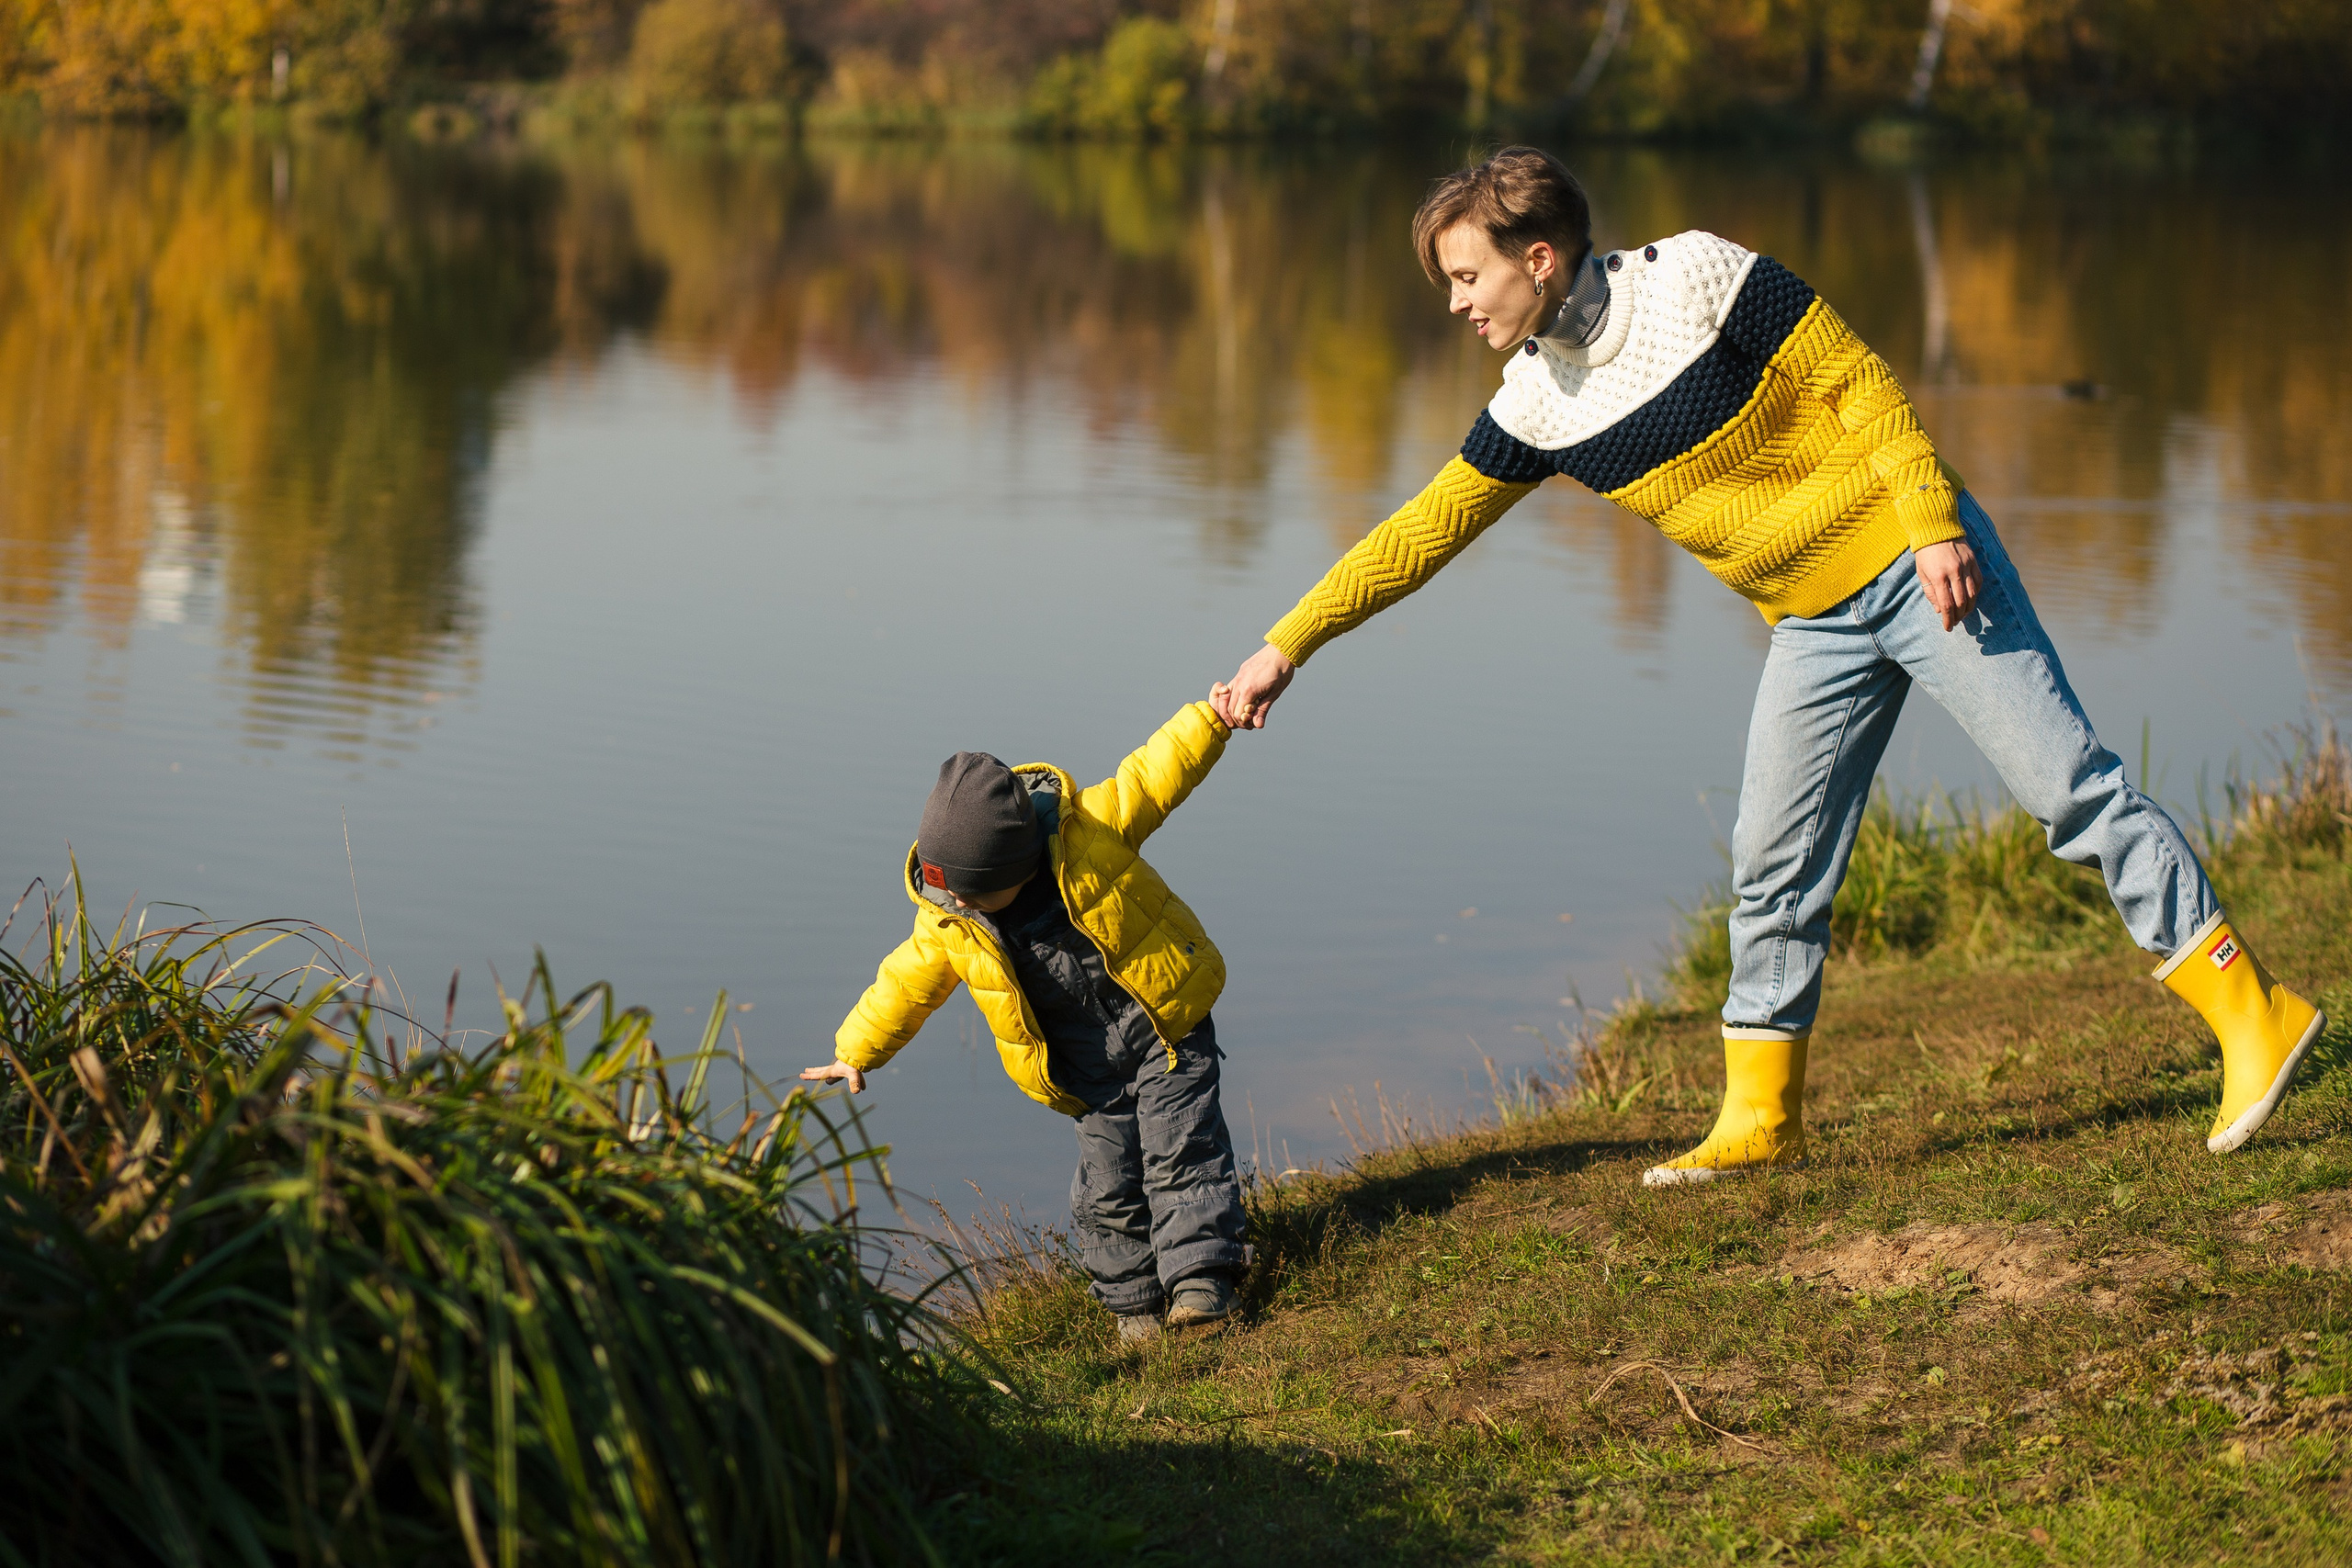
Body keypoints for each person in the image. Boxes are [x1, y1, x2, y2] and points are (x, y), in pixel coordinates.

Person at [1213, 146, 2324, 1184]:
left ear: (1536, 258)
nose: (1456, 302)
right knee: (1771, 861)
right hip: (1813, 623)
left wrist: (1933, 521)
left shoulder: (1695, 277)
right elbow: (1413, 535)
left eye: (1466, 277)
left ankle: (2252, 1012)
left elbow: (1860, 380)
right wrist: (1284, 648)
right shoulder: (1535, 404)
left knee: (2068, 792)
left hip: (1917, 560)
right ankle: (1760, 1116)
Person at [804, 696, 1249, 1341]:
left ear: (1015, 866)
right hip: (1084, 1066)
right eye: (947, 887)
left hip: (1164, 1029)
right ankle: (1134, 1308)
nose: (956, 899)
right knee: (1108, 1186)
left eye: (971, 888)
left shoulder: (1089, 830)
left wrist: (1215, 716)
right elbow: (907, 978)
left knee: (1181, 1148)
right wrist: (858, 1047)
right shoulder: (951, 915)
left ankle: (1203, 1282)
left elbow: (1156, 771)